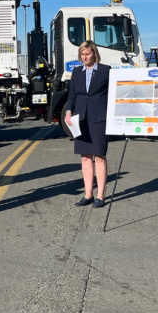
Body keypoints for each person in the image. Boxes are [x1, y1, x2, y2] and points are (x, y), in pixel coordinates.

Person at [65, 40, 111, 208]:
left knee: (99, 157)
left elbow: (112, 93)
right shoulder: (76, 72)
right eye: (82, 54)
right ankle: (88, 194)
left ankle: (100, 196)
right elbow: (72, 95)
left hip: (99, 117)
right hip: (81, 119)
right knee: (85, 157)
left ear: (94, 54)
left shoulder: (106, 71)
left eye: (87, 54)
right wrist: (69, 111)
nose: (84, 57)